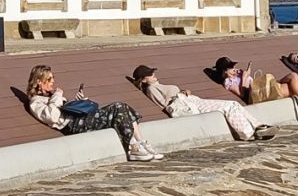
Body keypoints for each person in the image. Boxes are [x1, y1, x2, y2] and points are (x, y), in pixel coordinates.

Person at [26, 65, 162, 161]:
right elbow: (53, 116)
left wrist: (80, 102)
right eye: (49, 79)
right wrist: (57, 95)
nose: (53, 81)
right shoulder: (36, 102)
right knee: (118, 107)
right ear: (39, 81)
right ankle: (133, 147)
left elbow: (63, 109)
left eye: (53, 77)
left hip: (80, 118)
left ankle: (140, 142)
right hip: (74, 125)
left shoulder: (51, 96)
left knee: (123, 107)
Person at [132, 65, 278, 141]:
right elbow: (165, 104)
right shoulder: (151, 88)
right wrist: (181, 94)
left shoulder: (157, 85)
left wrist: (184, 92)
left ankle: (258, 126)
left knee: (234, 104)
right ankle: (248, 132)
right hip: (186, 104)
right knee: (230, 105)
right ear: (144, 79)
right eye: (150, 74)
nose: (154, 75)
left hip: (191, 100)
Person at [214, 56, 298, 125]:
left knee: (295, 78)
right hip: (256, 96)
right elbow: (243, 94)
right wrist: (244, 77)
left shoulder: (237, 75)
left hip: (264, 88)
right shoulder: (228, 82)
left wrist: (244, 75)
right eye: (231, 68)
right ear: (225, 72)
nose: (234, 69)